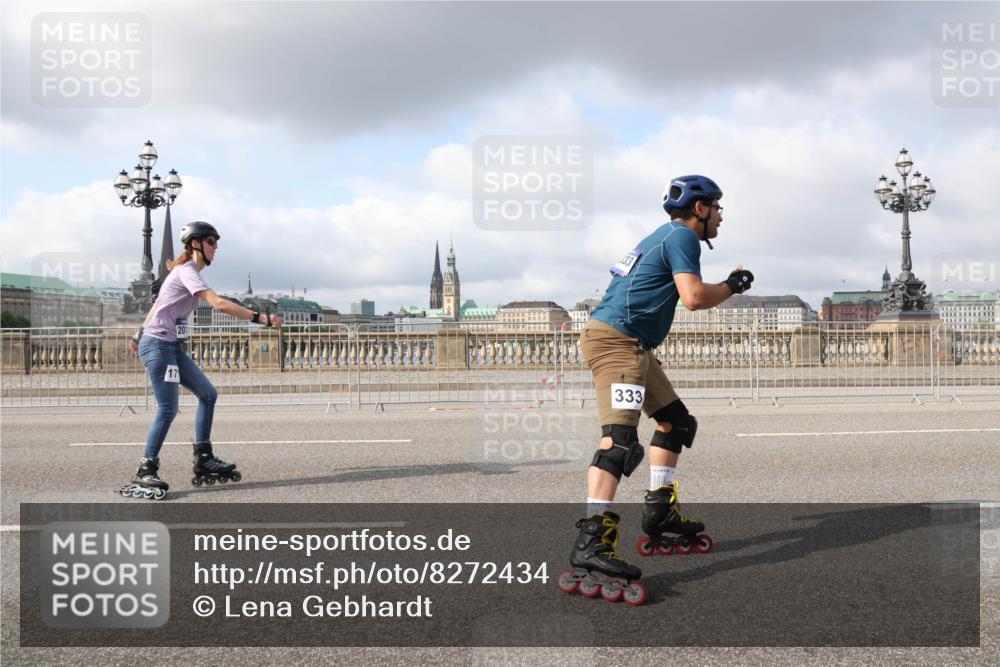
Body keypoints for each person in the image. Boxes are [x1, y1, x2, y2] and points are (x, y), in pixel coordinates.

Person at [558, 175, 753, 604]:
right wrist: (733, 285)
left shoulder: (661, 235)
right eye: (717, 207)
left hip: (632, 344)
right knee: (619, 444)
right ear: (699, 210)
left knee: (676, 423)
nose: (721, 215)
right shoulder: (683, 237)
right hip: (618, 343)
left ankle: (659, 509)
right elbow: (694, 297)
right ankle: (592, 541)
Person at [119, 221, 282, 500]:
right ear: (196, 244)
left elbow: (157, 306)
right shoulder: (186, 271)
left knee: (208, 394)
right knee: (168, 409)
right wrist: (261, 319)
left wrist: (138, 334)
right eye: (211, 242)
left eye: (216, 242)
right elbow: (218, 304)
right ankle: (146, 468)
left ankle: (203, 457)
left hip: (170, 346)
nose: (216, 247)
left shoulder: (187, 273)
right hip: (159, 347)